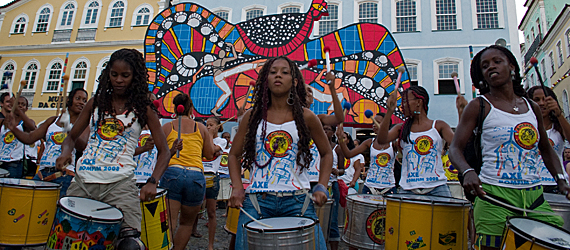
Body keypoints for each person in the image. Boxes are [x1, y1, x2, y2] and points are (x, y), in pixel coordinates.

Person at [449, 45, 568, 250]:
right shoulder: (479, 106)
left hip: (534, 197)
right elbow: (454, 149)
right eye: (485, 66)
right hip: (494, 196)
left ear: (511, 66)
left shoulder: (532, 107)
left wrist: (561, 179)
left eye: (497, 61)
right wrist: (467, 171)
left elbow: (546, 149)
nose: (491, 67)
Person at [55, 48, 171, 246]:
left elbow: (165, 151)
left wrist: (153, 181)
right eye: (114, 74)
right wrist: (65, 153)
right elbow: (71, 137)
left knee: (130, 244)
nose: (119, 80)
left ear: (135, 77)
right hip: (83, 181)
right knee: (67, 239)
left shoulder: (144, 109)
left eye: (125, 75)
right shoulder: (96, 102)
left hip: (120, 186)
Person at [227, 56, 332, 250]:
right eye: (273, 72)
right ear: (265, 79)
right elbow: (233, 155)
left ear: (294, 82)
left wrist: (322, 186)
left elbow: (327, 154)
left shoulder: (307, 116)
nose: (278, 75)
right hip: (257, 201)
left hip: (298, 201)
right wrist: (237, 187)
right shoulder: (252, 116)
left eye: (285, 72)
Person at [378, 86, 461, 197]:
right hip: (408, 189)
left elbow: (458, 144)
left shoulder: (438, 126)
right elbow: (382, 139)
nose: (402, 106)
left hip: (437, 187)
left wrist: (461, 113)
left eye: (405, 101)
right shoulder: (400, 128)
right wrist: (389, 111)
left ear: (419, 102)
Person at [5, 88, 88, 197]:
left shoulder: (83, 124)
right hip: (42, 173)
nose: (81, 102)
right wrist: (13, 128)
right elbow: (29, 138)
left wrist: (68, 127)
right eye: (78, 98)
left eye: (84, 100)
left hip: (64, 175)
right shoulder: (52, 121)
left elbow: (82, 146)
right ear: (69, 100)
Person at [159, 93, 215, 250]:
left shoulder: (167, 127)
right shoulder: (201, 128)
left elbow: (161, 154)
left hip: (172, 173)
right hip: (195, 175)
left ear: (175, 108)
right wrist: (209, 136)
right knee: (187, 223)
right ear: (190, 108)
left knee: (169, 221)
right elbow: (209, 154)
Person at [337, 113, 397, 195]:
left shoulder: (393, 143)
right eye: (373, 123)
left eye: (378, 123)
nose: (374, 125)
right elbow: (349, 154)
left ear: (387, 124)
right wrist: (341, 140)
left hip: (389, 188)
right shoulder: (369, 142)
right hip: (369, 187)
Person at [527, 86, 570, 193]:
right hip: (532, 184)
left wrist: (559, 114)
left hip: (557, 184)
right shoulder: (526, 127)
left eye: (545, 99)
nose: (541, 103)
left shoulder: (558, 126)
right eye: (536, 100)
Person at [203, 116, 227, 250]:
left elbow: (211, 150)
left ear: (218, 126)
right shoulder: (202, 138)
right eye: (207, 125)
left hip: (212, 176)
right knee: (195, 210)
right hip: (199, 175)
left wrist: (210, 136)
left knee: (211, 211)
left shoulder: (222, 141)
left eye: (211, 125)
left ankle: (210, 244)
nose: (208, 127)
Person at [0, 94, 36, 178]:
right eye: (17, 103)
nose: (20, 106)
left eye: (23, 105)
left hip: (14, 164)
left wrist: (19, 111)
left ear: (26, 109)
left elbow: (32, 128)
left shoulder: (25, 123)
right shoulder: (2, 122)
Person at [133, 94, 159, 187]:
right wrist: (144, 148)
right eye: (148, 101)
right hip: (131, 179)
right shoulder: (132, 127)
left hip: (149, 181)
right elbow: (124, 152)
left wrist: (173, 149)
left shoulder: (157, 130)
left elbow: (161, 155)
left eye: (153, 102)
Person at [335, 130, 363, 207]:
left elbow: (358, 169)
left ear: (348, 140)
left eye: (343, 138)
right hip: (336, 185)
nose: (341, 140)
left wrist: (353, 181)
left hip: (349, 186)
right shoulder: (334, 152)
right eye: (339, 138)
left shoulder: (354, 153)